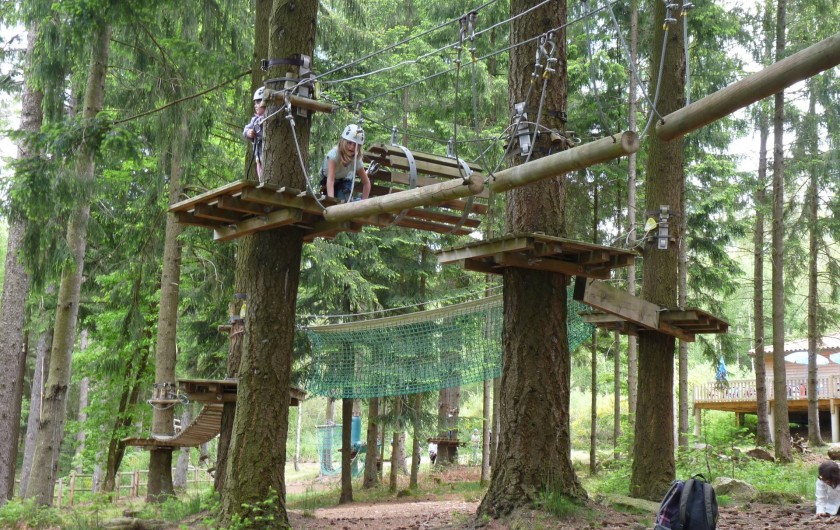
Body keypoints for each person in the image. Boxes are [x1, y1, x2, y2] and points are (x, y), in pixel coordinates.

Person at [319, 124, 371, 202]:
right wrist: (331, 202)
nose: (352, 147)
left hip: (344, 180)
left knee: (342, 201)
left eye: (356, 145)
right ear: (343, 142)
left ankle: (356, 201)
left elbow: (366, 182)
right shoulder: (333, 155)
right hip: (328, 180)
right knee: (330, 201)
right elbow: (330, 180)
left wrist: (364, 202)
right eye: (349, 143)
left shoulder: (356, 159)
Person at [243, 87, 266, 180]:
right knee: (261, 177)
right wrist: (248, 132)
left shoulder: (269, 117)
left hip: (267, 154)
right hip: (259, 156)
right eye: (255, 103)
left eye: (258, 102)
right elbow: (245, 130)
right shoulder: (255, 120)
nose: (256, 105)